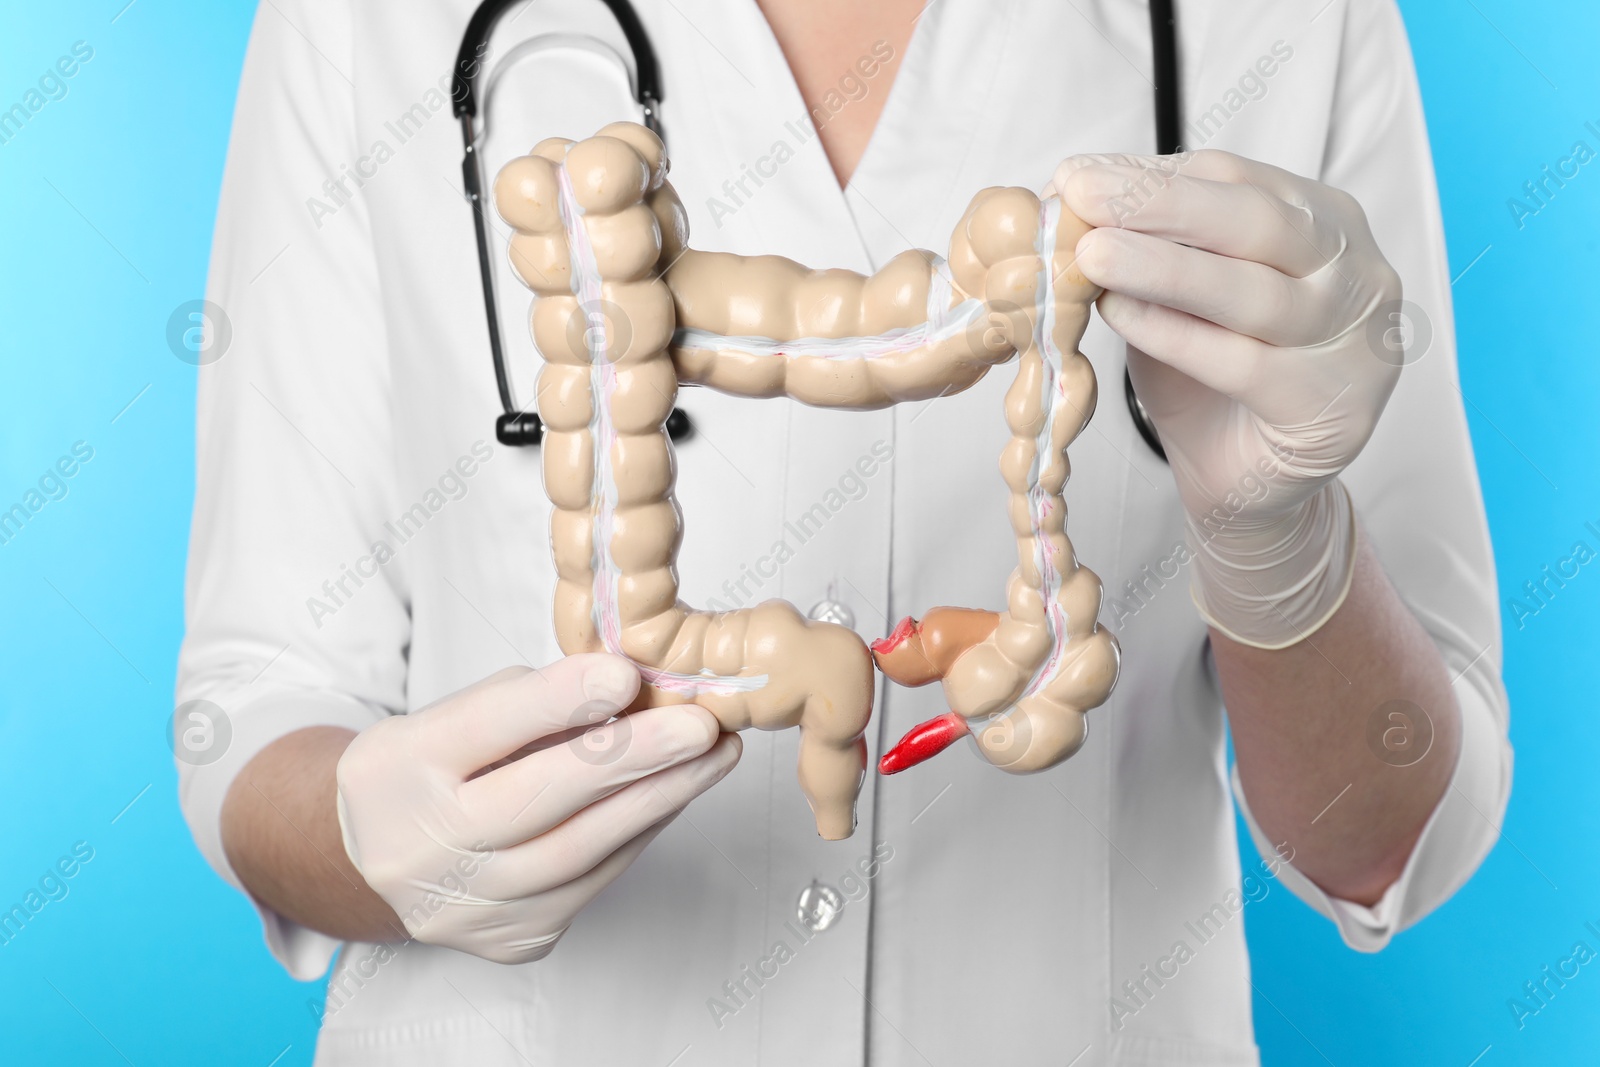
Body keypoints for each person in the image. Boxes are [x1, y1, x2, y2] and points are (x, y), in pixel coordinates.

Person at [176, 0, 1511, 1063]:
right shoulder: (363, 19)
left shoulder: (1286, 21)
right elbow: (254, 700)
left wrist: (1277, 536)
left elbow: (1393, 837)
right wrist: (370, 842)